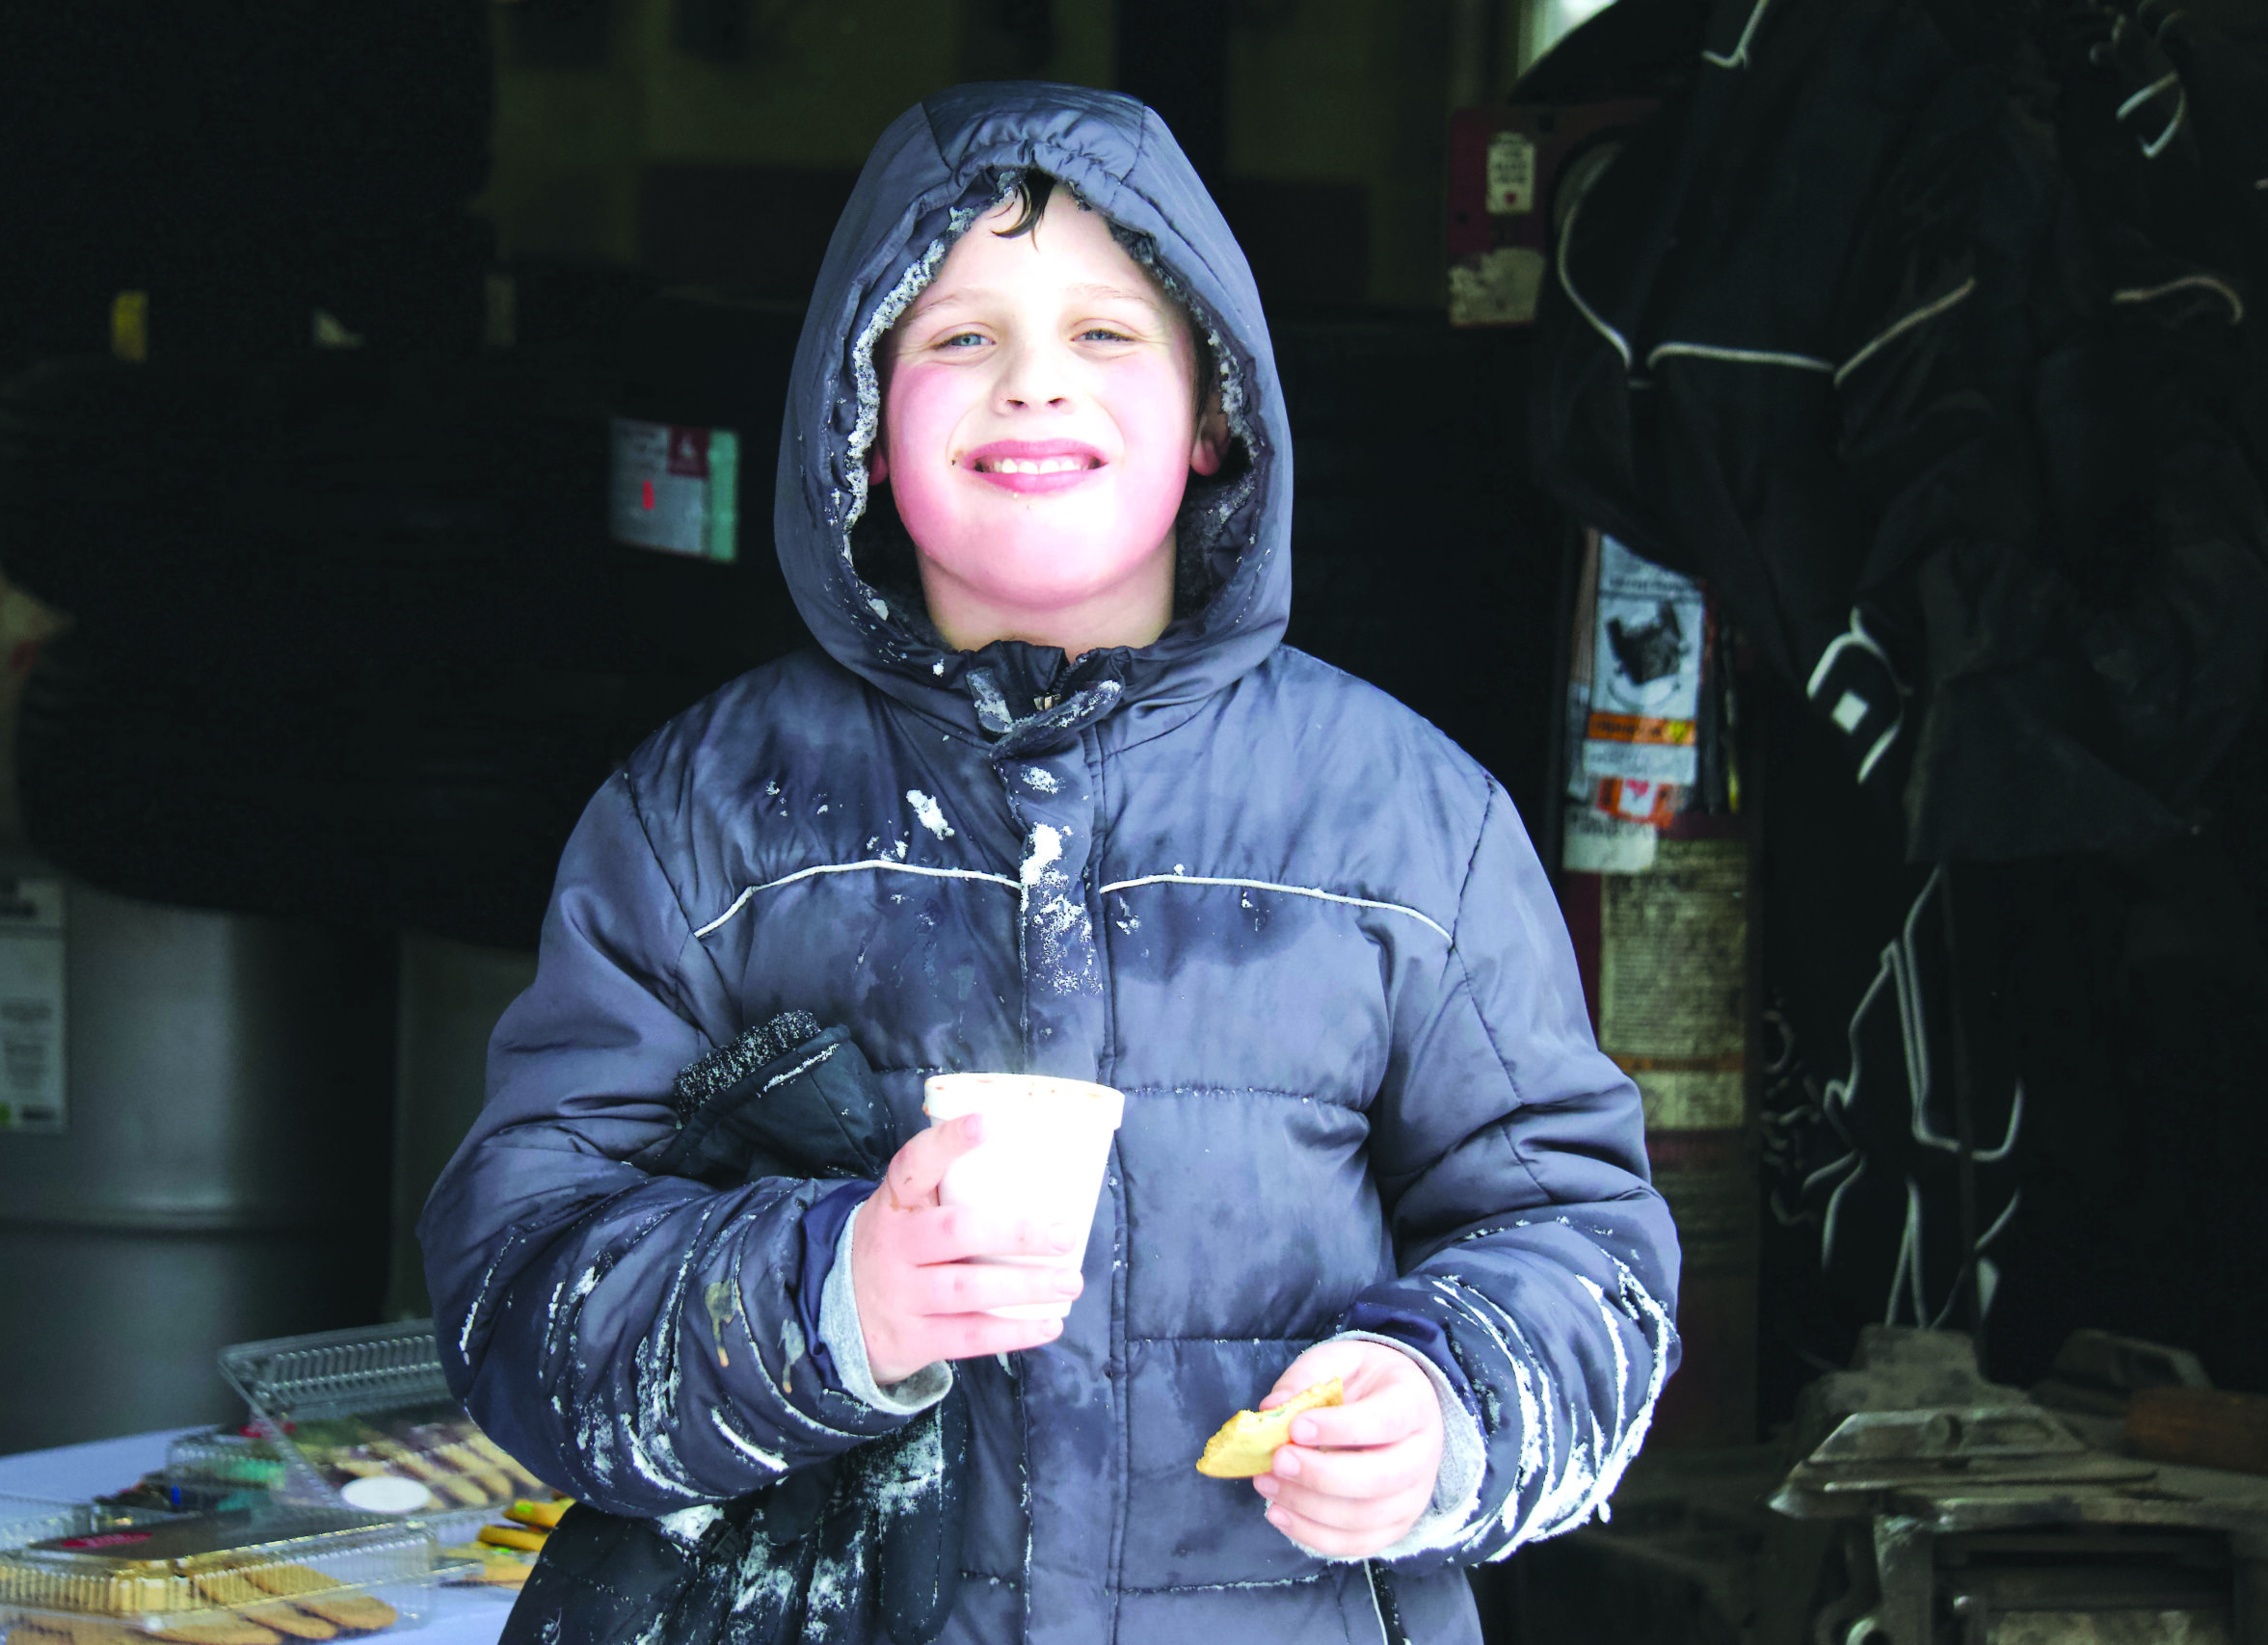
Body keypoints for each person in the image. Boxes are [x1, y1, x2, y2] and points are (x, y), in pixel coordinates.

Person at [421, 80, 1679, 1645]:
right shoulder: (703, 823)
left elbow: (1584, 1243)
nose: (1033, 383)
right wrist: (831, 1298)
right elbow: (516, 1280)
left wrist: (1453, 1404)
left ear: (1216, 415)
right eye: (959, 336)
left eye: (1104, 333)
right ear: (860, 418)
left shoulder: (1408, 825)